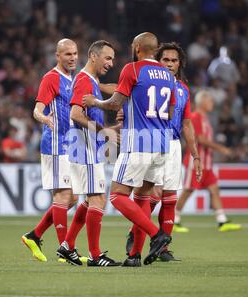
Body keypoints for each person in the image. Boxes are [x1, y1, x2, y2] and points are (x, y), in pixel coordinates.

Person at [84, 32, 201, 266]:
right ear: (155, 50)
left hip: (139, 142)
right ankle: (134, 256)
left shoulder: (133, 69)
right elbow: (169, 113)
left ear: (137, 47)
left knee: (117, 196)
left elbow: (116, 103)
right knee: (142, 199)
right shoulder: (170, 79)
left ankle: (157, 234)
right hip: (162, 144)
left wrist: (94, 102)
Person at [124, 42, 202, 262]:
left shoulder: (184, 90)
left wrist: (195, 155)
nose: (169, 64)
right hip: (153, 140)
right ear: (157, 61)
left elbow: (187, 123)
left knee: (170, 197)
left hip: (174, 145)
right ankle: (136, 234)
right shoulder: (146, 79)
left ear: (180, 64)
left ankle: (163, 248)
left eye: (174, 60)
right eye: (165, 59)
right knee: (151, 195)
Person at [57, 40, 122, 267]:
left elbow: (115, 91)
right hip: (83, 146)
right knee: (98, 199)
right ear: (93, 57)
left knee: (89, 199)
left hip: (87, 146)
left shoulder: (92, 80)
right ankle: (95, 256)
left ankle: (67, 245)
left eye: (112, 59)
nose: (111, 63)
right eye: (107, 58)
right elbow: (75, 114)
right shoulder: (84, 80)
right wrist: (104, 131)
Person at [21, 39, 85, 262]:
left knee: (74, 197)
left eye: (75, 53)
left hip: (71, 145)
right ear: (58, 56)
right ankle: (65, 250)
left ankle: (34, 235)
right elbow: (37, 109)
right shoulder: (51, 78)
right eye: (67, 54)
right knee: (62, 195)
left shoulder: (73, 79)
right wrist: (43, 118)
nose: (73, 57)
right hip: (56, 144)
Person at [175, 90, 242, 232]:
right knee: (188, 190)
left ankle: (222, 221)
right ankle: (174, 220)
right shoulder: (195, 117)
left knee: (214, 189)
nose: (212, 103)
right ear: (202, 102)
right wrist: (221, 148)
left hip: (207, 164)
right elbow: (199, 139)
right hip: (196, 163)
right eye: (210, 101)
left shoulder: (205, 118)